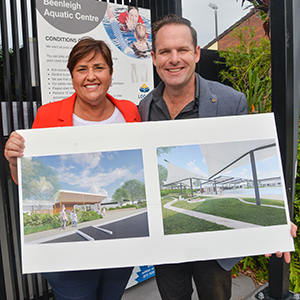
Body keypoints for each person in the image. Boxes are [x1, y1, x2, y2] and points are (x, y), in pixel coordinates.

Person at [138, 14, 298, 300]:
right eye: (165, 51)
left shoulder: (229, 101)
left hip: (214, 249)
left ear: (197, 53)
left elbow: (250, 165)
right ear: (154, 57)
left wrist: (275, 222)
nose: (174, 59)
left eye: (182, 50)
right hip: (167, 247)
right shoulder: (145, 106)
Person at [4, 37, 140, 300]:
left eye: (99, 67)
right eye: (82, 69)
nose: (91, 76)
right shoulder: (47, 115)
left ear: (110, 73)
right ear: (71, 75)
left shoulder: (130, 111)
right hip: (68, 261)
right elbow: (31, 183)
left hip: (119, 253)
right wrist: (14, 161)